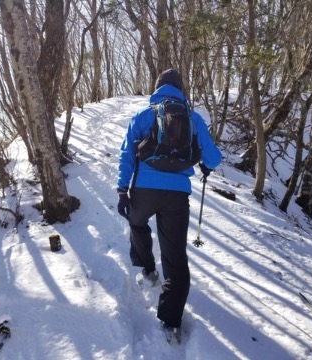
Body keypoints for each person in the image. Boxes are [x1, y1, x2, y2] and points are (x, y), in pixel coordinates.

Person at [116, 68, 222, 342]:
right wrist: (203, 163)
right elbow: (213, 158)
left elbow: (127, 154)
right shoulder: (193, 119)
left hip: (144, 190)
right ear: (180, 89)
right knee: (175, 258)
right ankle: (171, 322)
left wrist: (122, 189)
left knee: (137, 223)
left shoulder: (144, 115)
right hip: (177, 195)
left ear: (158, 88)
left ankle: (149, 270)